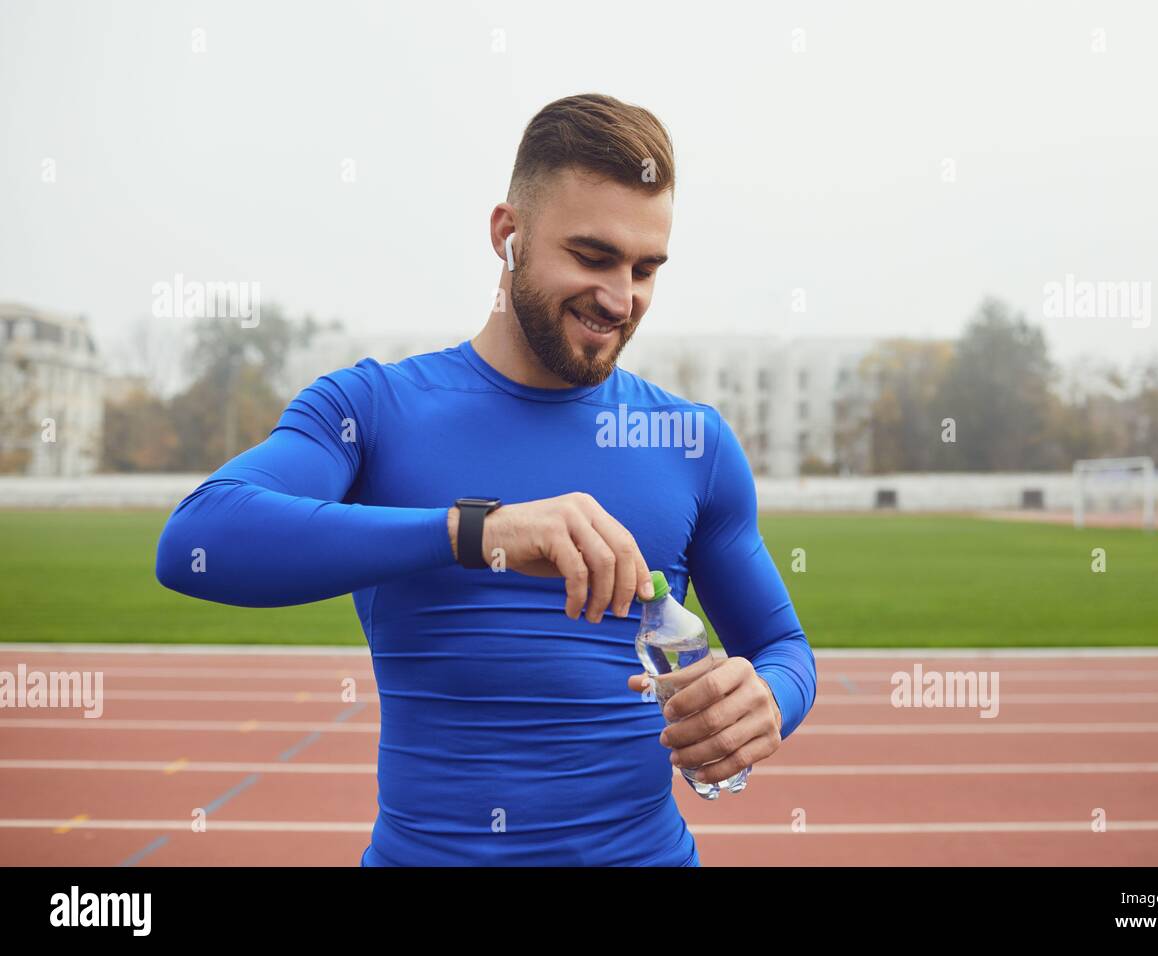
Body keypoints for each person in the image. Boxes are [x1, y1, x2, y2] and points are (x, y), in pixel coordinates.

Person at [155, 92, 817, 866]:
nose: (620, 298)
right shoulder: (372, 409)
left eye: (645, 269)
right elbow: (197, 540)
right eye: (593, 257)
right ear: (508, 235)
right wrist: (478, 531)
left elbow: (782, 645)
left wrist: (769, 698)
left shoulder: (692, 440)